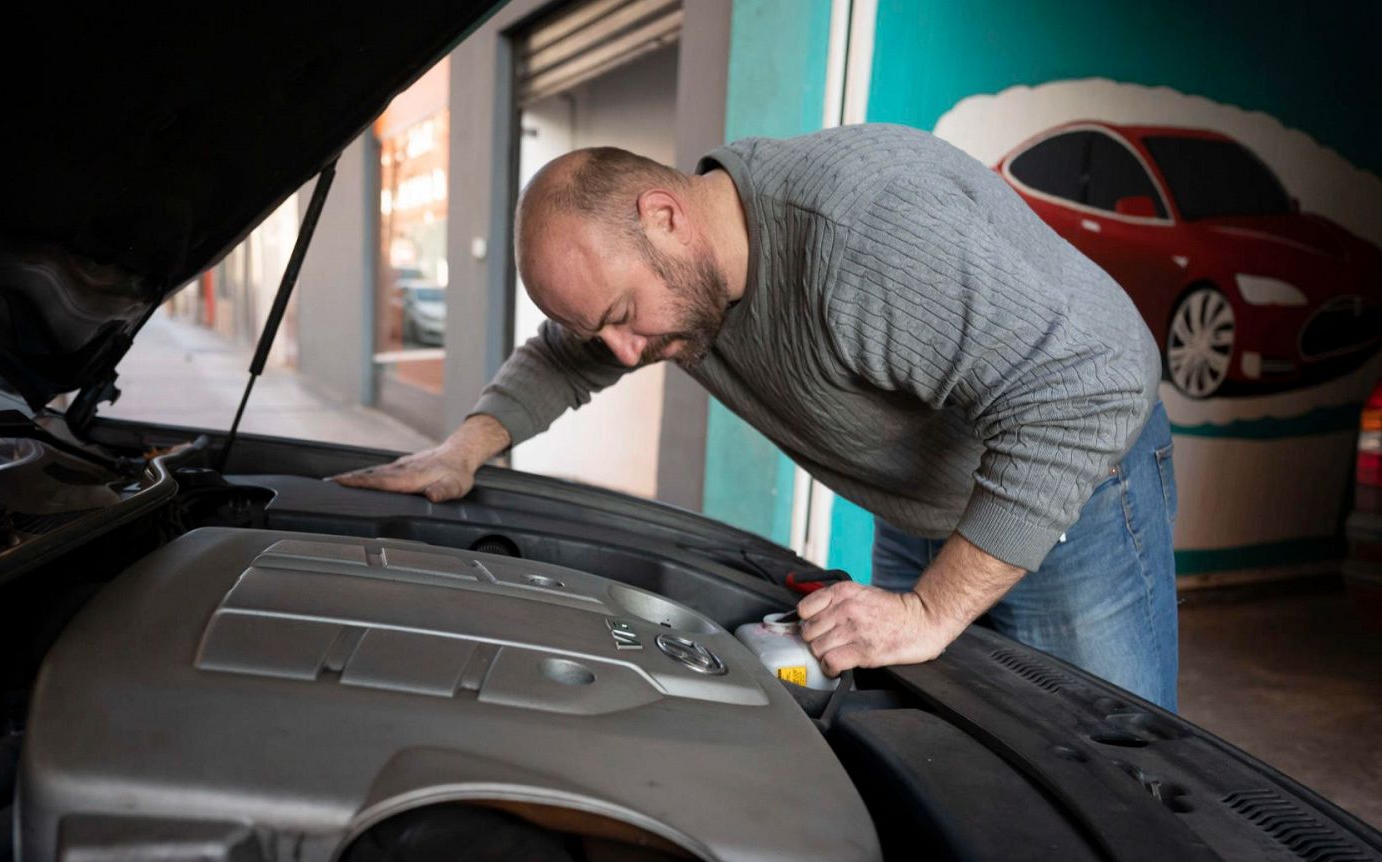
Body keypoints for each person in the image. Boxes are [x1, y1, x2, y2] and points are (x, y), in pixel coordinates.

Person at [334, 125, 1179, 709]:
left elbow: (1089, 387)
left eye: (624, 313)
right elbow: (566, 353)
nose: (624, 353)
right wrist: (465, 449)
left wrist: (930, 612)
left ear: (664, 216)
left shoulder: (868, 236)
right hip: (928, 508)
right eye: (604, 327)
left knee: (1116, 777)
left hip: (1079, 499)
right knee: (964, 740)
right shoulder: (675, 274)